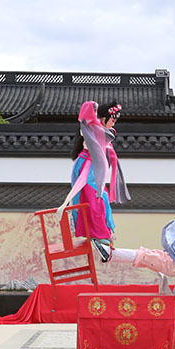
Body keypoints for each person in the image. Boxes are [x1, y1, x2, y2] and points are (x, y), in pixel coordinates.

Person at [99, 206, 175, 309]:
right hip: (171, 260)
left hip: (172, 262)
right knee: (143, 257)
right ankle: (110, 255)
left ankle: (109, 253)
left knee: (143, 254)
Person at [57, 100, 129, 262]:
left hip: (93, 167)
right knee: (96, 200)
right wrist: (93, 107)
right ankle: (98, 235)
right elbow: (86, 113)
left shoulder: (102, 131)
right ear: (103, 118)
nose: (114, 122)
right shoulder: (91, 128)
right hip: (88, 167)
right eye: (113, 119)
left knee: (101, 199)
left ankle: (102, 235)